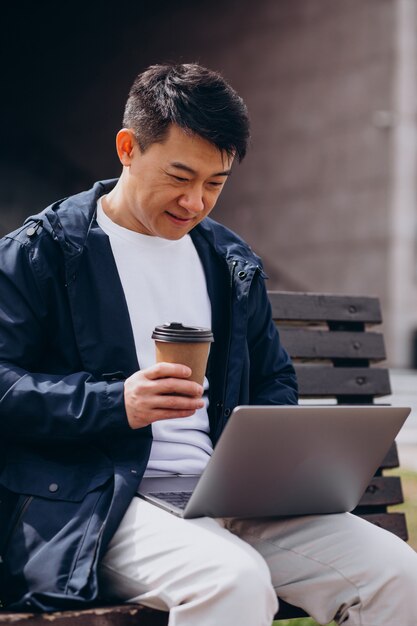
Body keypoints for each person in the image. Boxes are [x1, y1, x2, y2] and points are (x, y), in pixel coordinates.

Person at [0, 63, 416, 626]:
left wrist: (260, 458)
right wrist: (113, 403)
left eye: (215, 183)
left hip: (228, 497)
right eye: (179, 176)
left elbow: (274, 378)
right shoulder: (43, 252)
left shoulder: (227, 260)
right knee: (231, 581)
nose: (194, 202)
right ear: (127, 147)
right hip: (101, 504)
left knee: (397, 574)